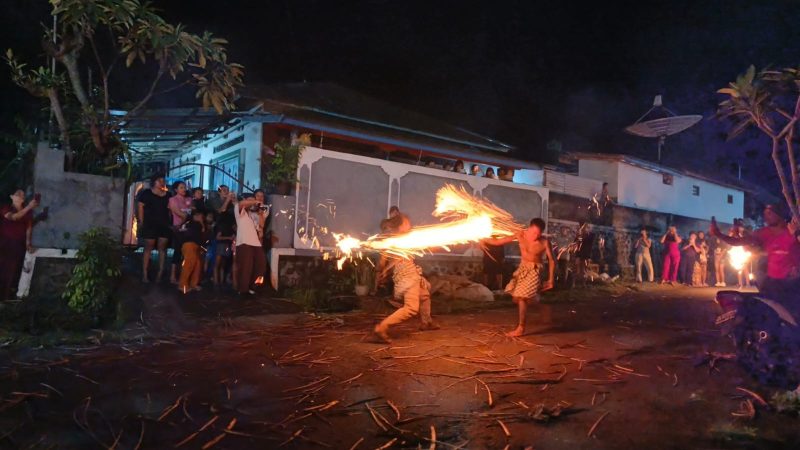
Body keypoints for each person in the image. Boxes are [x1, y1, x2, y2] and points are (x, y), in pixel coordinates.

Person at [711, 204, 800, 303]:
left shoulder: (793, 230)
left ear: (779, 215)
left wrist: (795, 235)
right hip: (772, 282)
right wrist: (718, 234)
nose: (766, 217)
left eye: (769, 213)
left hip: (792, 282)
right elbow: (738, 242)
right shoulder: (762, 233)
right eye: (765, 214)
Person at [483, 218, 555, 337]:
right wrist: (482, 239)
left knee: (522, 297)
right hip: (523, 268)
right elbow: (499, 242)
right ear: (529, 228)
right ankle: (543, 308)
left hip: (535, 270)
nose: (535, 236)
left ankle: (521, 328)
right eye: (533, 232)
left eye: (538, 233)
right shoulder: (520, 234)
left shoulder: (544, 242)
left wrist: (551, 279)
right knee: (517, 298)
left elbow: (552, 261)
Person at [372, 213, 437, 343]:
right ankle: (381, 327)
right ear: (400, 226)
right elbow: (382, 263)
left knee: (424, 295)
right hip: (407, 276)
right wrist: (382, 272)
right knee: (411, 308)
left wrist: (383, 269)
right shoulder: (400, 240)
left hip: (408, 275)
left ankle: (427, 322)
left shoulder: (393, 240)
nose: (409, 224)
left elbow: (382, 262)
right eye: (407, 223)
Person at [0, 190, 37, 300]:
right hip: (5, 244)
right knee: (3, 270)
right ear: (12, 197)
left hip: (19, 245)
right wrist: (29, 207)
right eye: (17, 194)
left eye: (22, 194)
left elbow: (28, 228)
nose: (21, 195)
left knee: (15, 271)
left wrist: (28, 244)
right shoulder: (6, 208)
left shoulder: (28, 212)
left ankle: (9, 297)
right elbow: (14, 217)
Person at [137, 174, 170, 283]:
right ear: (154, 182)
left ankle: (160, 273)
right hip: (150, 224)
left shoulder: (168, 195)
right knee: (148, 248)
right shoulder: (147, 193)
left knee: (162, 248)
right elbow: (140, 206)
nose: (162, 182)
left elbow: (171, 210)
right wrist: (141, 221)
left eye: (163, 180)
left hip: (164, 225)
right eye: (159, 180)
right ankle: (145, 274)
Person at [234, 192, 267, 296]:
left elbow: (261, 225)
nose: (252, 202)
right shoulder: (240, 210)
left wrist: (261, 213)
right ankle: (243, 290)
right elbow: (242, 204)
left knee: (261, 265)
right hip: (244, 242)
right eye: (250, 200)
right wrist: (255, 201)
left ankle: (253, 286)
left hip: (255, 243)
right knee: (245, 267)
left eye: (253, 200)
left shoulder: (253, 214)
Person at [168, 181, 193, 284]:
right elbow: (181, 214)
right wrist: (179, 225)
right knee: (178, 251)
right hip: (178, 229)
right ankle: (173, 276)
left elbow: (190, 214)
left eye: (185, 187)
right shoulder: (172, 200)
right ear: (176, 190)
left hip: (188, 229)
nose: (184, 189)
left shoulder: (189, 200)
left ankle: (184, 276)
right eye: (181, 187)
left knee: (187, 252)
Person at [178, 209, 206, 293]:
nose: (199, 217)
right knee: (189, 264)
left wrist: (201, 223)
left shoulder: (201, 224)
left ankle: (193, 284)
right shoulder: (189, 223)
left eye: (200, 215)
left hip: (197, 245)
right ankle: (182, 285)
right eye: (197, 215)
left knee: (197, 265)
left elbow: (203, 231)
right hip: (189, 244)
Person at [572, 222, 594, 288]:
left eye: (587, 228)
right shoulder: (579, 236)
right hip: (578, 255)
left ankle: (583, 284)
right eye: (584, 228)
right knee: (577, 270)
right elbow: (575, 244)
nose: (586, 229)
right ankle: (573, 284)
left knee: (584, 271)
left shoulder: (590, 236)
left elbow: (591, 243)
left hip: (586, 255)